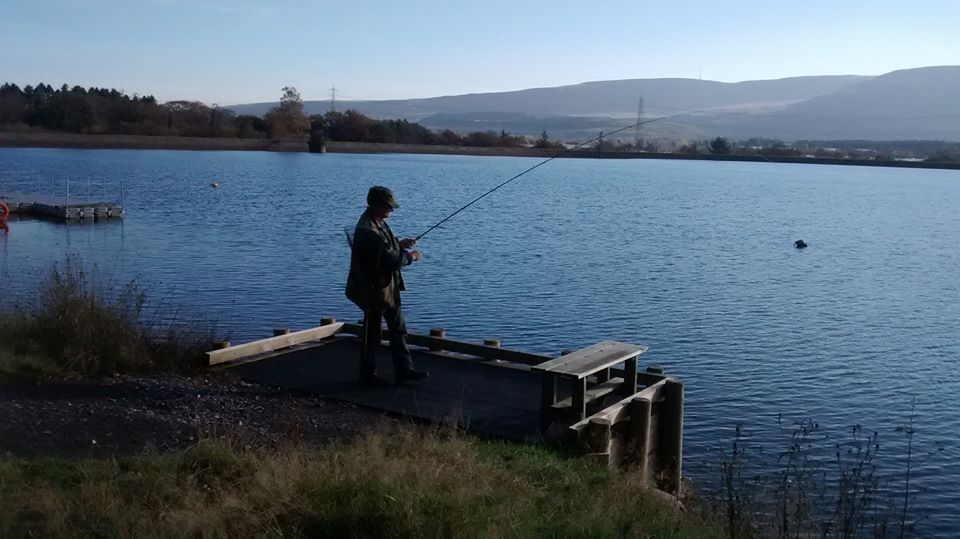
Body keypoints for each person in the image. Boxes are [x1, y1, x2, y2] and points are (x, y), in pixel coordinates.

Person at [346, 186, 429, 386]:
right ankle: (367, 376)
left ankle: (403, 370)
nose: (391, 210)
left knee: (398, 328)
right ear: (376, 205)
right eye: (388, 207)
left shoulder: (377, 222)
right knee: (372, 333)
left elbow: (384, 250)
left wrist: (399, 244)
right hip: (374, 289)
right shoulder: (368, 229)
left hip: (385, 287)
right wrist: (410, 257)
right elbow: (389, 260)